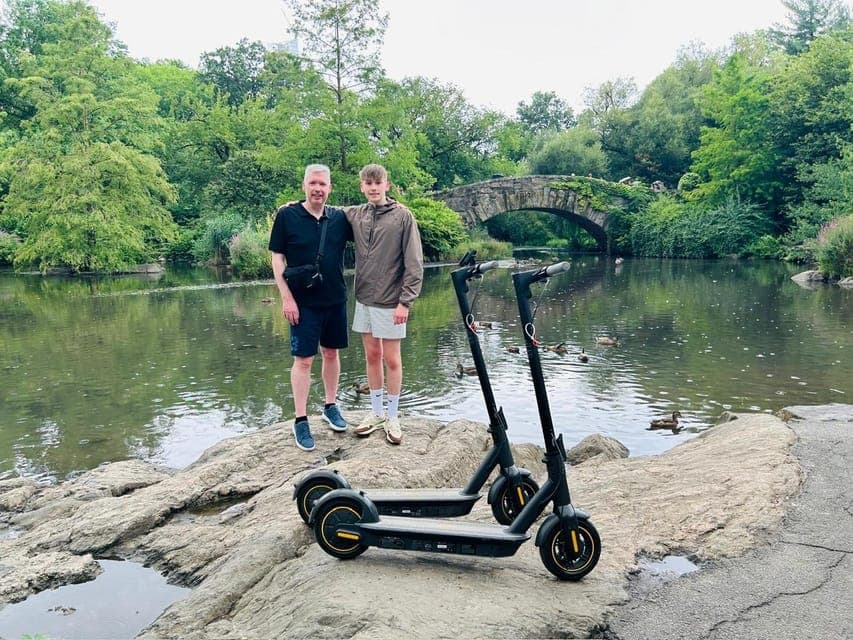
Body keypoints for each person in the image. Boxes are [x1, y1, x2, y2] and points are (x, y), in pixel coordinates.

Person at [268, 164, 353, 452]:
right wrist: (286, 298)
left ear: (330, 188)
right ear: (304, 185)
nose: (318, 188)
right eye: (313, 183)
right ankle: (301, 419)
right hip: (302, 303)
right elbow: (277, 259)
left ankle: (330, 406)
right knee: (304, 360)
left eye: (323, 184)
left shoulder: (341, 218)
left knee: (332, 353)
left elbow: (372, 217)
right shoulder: (287, 215)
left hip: (335, 298)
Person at [348, 164, 424, 445]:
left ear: (386, 185)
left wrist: (406, 302)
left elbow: (414, 263)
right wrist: (295, 205)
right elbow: (324, 211)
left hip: (391, 301)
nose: (373, 187)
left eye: (377, 182)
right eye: (368, 183)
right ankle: (376, 412)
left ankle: (393, 416)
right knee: (371, 356)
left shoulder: (403, 216)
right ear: (362, 186)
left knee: (392, 359)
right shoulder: (357, 214)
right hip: (364, 299)